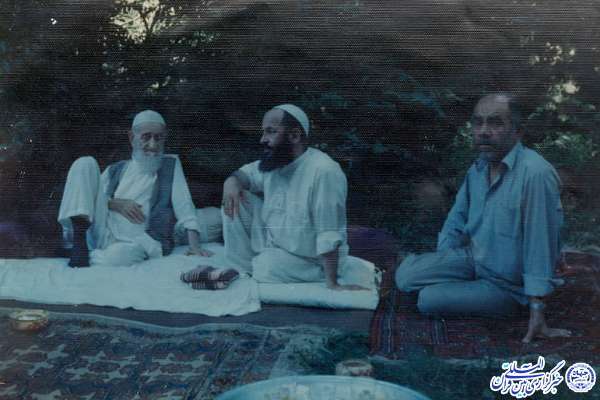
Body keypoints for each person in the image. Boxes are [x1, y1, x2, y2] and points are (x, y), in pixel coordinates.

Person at [395, 93, 571, 343]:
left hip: (507, 285)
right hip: (474, 259)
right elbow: (456, 219)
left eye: (495, 123)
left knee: (427, 299)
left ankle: (511, 303)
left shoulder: (535, 174)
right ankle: (459, 286)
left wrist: (537, 308)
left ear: (518, 131)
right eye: (478, 123)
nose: (483, 131)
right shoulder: (478, 168)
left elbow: (540, 244)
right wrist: (444, 264)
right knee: (405, 276)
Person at [221, 104, 371, 291]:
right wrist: (231, 182)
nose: (263, 139)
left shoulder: (323, 171)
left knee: (265, 266)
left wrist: (332, 284)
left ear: (294, 136)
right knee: (235, 196)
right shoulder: (276, 160)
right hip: (275, 244)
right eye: (263, 132)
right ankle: (242, 269)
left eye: (271, 132)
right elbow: (246, 174)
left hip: (311, 260)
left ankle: (264, 268)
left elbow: (329, 232)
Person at [58, 110, 212, 268]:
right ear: (132, 138)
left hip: (137, 241)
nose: (153, 145)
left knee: (117, 257)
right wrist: (116, 203)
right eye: (146, 137)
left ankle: (84, 253)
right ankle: (78, 240)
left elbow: (184, 206)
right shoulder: (116, 169)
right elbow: (89, 199)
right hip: (103, 231)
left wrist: (195, 246)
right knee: (84, 163)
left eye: (158, 138)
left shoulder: (170, 165)